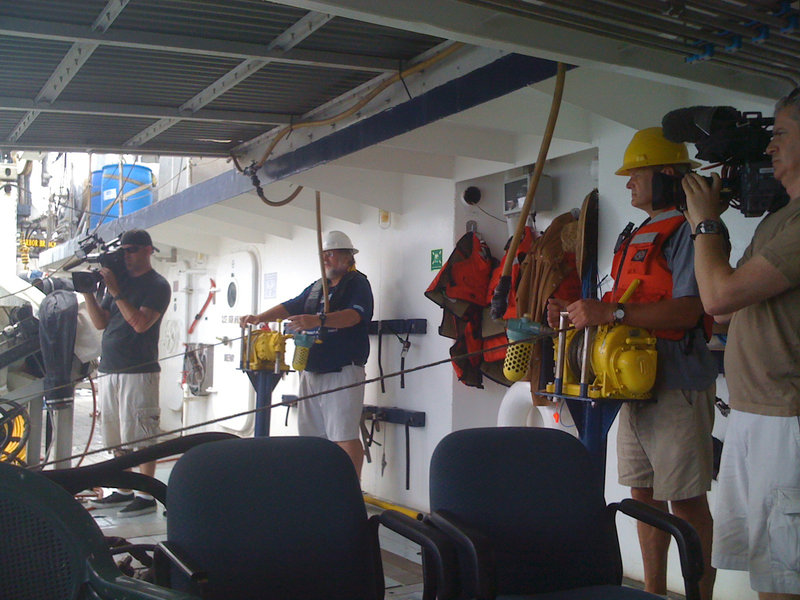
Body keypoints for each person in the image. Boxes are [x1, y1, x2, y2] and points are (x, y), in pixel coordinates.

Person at [547, 127, 718, 600]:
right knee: (641, 496)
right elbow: (618, 301)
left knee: (685, 500)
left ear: (667, 173)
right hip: (628, 386)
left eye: (635, 173)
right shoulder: (636, 233)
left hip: (677, 385)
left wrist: (614, 312)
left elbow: (689, 309)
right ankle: (654, 593)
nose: (627, 184)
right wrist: (575, 310)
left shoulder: (690, 231)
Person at [682, 88, 800, 600]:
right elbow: (727, 304)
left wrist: (705, 222)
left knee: (784, 579)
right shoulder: (779, 220)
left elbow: (716, 296)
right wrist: (712, 225)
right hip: (755, 416)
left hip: (787, 420)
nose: (770, 147)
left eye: (781, 134)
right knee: (763, 571)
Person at [240, 231, 373, 477]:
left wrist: (317, 319)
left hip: (342, 370)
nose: (326, 258)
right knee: (312, 438)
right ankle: (320, 487)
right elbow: (291, 305)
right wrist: (259, 318)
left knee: (343, 436)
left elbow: (355, 316)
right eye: (323, 254)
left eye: (331, 254)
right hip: (311, 370)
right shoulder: (316, 288)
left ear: (347, 257)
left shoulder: (357, 284)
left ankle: (351, 490)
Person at [83, 229, 171, 517]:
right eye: (123, 250)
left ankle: (146, 495)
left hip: (138, 370)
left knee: (142, 433)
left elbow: (140, 323)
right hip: (110, 367)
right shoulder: (117, 284)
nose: (126, 255)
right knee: (117, 434)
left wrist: (117, 291)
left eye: (132, 249)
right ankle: (124, 488)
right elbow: (100, 323)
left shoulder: (157, 285)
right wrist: (88, 293)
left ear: (148, 250)